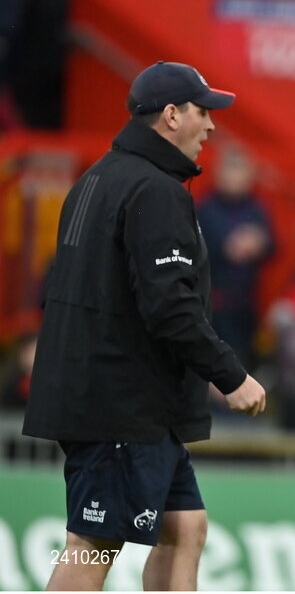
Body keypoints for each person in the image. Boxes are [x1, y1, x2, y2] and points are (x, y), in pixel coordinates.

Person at [22, 61, 266, 591]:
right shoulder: (156, 191)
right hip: (120, 406)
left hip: (118, 400)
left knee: (184, 528)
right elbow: (170, 308)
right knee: (92, 545)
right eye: (203, 112)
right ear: (172, 116)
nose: (212, 126)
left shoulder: (98, 178)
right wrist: (231, 376)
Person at [196, 146, 274, 370]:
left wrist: (260, 244)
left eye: (241, 170)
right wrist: (226, 248)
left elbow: (275, 246)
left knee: (247, 359)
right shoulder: (206, 207)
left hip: (249, 300)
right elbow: (193, 248)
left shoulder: (257, 207)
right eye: (230, 170)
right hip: (214, 302)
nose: (235, 177)